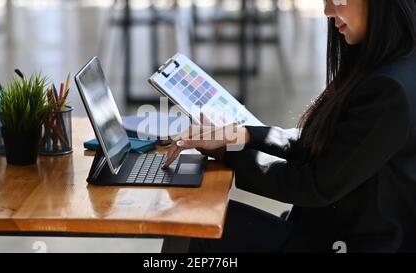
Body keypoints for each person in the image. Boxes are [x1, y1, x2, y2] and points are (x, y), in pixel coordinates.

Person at [161, 0, 416, 252]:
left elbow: (314, 185)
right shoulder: (387, 64)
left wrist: (229, 152)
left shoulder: (389, 90)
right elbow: (325, 144)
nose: (327, 11)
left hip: (346, 242)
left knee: (193, 222)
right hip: (328, 229)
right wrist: (242, 135)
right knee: (198, 219)